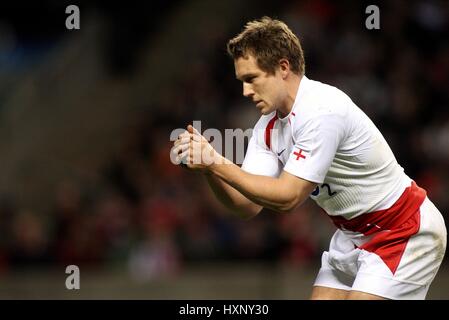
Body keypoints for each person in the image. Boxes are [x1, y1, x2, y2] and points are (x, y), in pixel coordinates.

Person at [171, 16, 447, 300]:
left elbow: (288, 197)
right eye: (242, 81)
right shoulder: (268, 127)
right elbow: (246, 206)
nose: (245, 91)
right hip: (352, 235)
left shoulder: (321, 110)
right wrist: (208, 169)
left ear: (282, 67)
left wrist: (217, 162)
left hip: (403, 229)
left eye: (252, 78)